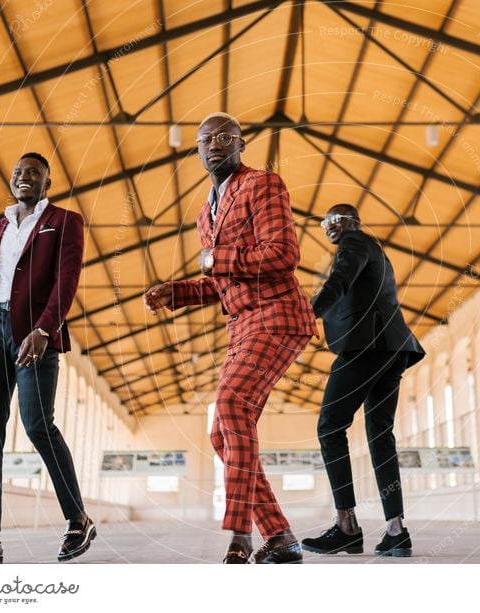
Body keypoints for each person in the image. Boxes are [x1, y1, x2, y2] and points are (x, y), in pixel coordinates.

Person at [143, 113, 317, 564]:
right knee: (222, 433)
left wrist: (213, 258)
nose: (213, 144)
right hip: (240, 325)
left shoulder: (262, 184)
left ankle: (240, 532)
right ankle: (279, 535)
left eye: (223, 137)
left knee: (231, 404)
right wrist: (177, 292)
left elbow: (282, 254)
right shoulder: (206, 213)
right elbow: (223, 280)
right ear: (196, 150)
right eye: (204, 140)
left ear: (241, 143)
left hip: (278, 315)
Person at [0, 153, 95, 564]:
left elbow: (67, 279)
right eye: (18, 173)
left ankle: (78, 519)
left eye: (34, 174)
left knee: (38, 423)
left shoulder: (65, 222)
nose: (24, 177)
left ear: (47, 183)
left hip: (34, 332)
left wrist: (45, 329)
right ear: (12, 181)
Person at [300, 205, 424, 558]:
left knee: (329, 428)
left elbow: (339, 281)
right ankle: (396, 531)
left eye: (338, 220)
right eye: (326, 223)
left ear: (354, 222)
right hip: (393, 347)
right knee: (380, 435)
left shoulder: (354, 244)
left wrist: (307, 312)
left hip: (367, 345)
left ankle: (346, 526)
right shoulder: (375, 250)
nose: (331, 227)